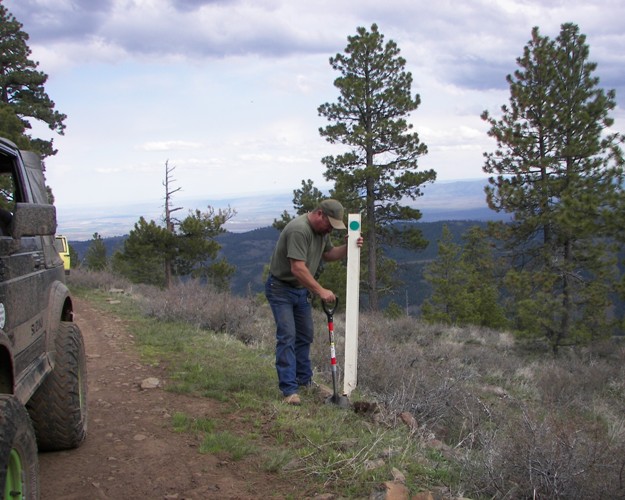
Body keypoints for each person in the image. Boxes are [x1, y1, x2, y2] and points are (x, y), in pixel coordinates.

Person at [265, 199, 363, 405]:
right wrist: (320, 290)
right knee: (287, 336)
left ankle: (304, 380)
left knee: (305, 336)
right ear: (320, 214)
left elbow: (328, 255)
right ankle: (289, 390)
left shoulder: (321, 232)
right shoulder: (299, 230)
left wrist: (349, 246)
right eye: (329, 224)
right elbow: (297, 268)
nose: (330, 229)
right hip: (281, 288)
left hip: (300, 291)